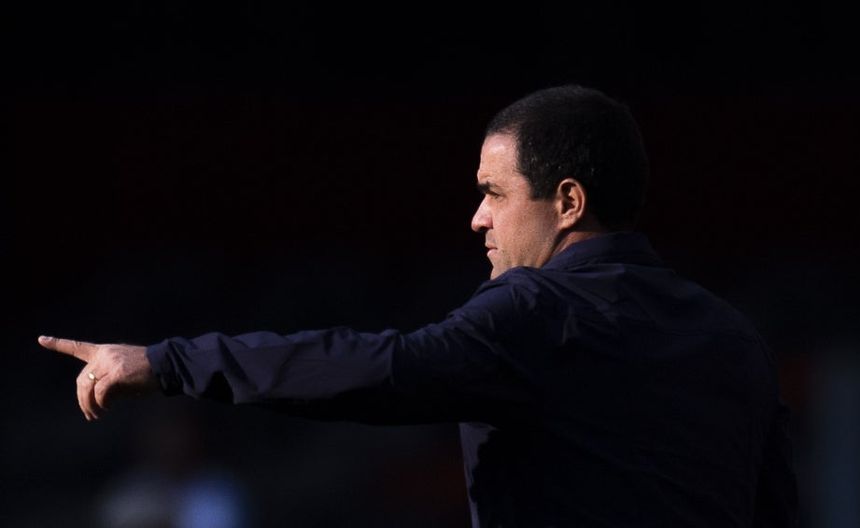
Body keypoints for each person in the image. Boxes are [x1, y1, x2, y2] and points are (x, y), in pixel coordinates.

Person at [40, 84, 798, 527]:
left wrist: (167, 362)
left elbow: (385, 369)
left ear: (568, 201)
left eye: (494, 193)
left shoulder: (535, 311)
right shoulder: (734, 338)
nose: (477, 218)